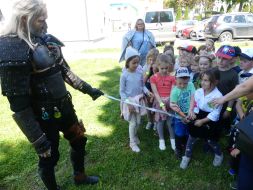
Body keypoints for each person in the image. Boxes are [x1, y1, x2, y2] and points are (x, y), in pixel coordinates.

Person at [0, 0, 104, 189]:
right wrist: (38, 140)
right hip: (43, 115)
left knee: (79, 140)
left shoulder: (45, 39)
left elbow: (64, 71)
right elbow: (18, 105)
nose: (45, 23)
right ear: (25, 19)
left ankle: (79, 177)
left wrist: (89, 90)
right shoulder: (10, 48)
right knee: (49, 155)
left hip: (64, 106)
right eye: (41, 20)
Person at [212, 50, 253, 190]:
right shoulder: (241, 74)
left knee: (248, 164)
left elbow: (244, 88)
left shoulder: (238, 76)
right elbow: (241, 96)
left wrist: (223, 100)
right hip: (245, 116)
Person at [180, 69, 223, 169]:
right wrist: (191, 112)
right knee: (192, 137)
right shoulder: (199, 91)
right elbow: (194, 102)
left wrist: (202, 121)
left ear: (215, 82)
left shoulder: (218, 96)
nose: (202, 82)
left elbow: (215, 113)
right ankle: (186, 156)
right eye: (202, 80)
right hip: (198, 114)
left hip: (209, 119)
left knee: (210, 140)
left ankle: (219, 154)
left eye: (206, 80)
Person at [120, 46, 153, 153]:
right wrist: (128, 103)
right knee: (133, 123)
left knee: (138, 122)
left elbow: (142, 85)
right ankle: (132, 142)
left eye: (138, 62)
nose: (136, 65)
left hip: (139, 101)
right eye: (134, 63)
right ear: (127, 62)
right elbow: (122, 91)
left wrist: (148, 92)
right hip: (129, 102)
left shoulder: (139, 73)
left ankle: (134, 135)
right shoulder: (124, 75)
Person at [150, 54, 176, 151]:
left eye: (166, 68)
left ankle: (173, 139)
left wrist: (168, 101)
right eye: (162, 68)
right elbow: (155, 92)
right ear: (157, 66)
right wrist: (161, 103)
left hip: (170, 102)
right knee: (160, 122)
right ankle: (161, 140)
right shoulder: (153, 78)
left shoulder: (173, 78)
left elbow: (173, 90)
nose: (164, 70)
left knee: (170, 122)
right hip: (159, 102)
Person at [170, 67, 195, 159]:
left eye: (185, 83)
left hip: (189, 114)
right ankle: (178, 148)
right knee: (179, 132)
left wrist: (190, 110)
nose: (182, 86)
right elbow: (175, 106)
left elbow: (192, 97)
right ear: (175, 79)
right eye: (180, 83)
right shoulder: (174, 91)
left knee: (188, 132)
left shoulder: (191, 85)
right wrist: (183, 116)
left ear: (189, 79)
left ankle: (185, 146)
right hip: (179, 116)